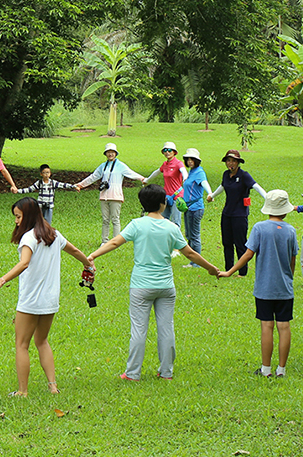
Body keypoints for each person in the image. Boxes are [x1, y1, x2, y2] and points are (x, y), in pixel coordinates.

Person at [88, 184, 220, 381]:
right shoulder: (171, 227)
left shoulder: (137, 224)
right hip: (166, 286)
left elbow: (115, 242)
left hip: (141, 286)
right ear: (162, 203)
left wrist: (92, 255)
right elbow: (189, 253)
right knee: (166, 328)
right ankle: (166, 372)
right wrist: (211, 268)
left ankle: (133, 373)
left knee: (139, 330)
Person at [0, 198, 92, 396]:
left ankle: (22, 391)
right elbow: (76, 251)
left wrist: (1, 281)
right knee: (42, 341)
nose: (16, 221)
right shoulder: (55, 235)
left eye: (18, 217)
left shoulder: (29, 238)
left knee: (21, 344)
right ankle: (53, 386)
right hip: (50, 300)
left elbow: (24, 263)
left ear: (28, 216)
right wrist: (88, 265)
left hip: (30, 301)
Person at [220, 190, 299, 377]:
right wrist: (289, 277)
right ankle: (282, 369)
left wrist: (230, 271)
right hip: (285, 288)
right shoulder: (290, 230)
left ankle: (266, 369)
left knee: (267, 326)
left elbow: (248, 254)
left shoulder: (259, 228)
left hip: (265, 288)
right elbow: (292, 259)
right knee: (284, 326)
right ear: (285, 210)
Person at [207, 150, 267, 277]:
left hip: (240, 215)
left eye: (233, 161)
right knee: (227, 242)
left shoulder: (244, 175)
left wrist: (268, 198)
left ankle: (242, 272)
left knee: (240, 243)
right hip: (227, 214)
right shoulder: (225, 174)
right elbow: (223, 187)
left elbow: (256, 186)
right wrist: (212, 196)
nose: (231, 163)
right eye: (228, 160)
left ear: (238, 162)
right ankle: (228, 269)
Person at [75, 142, 147, 244]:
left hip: (116, 196)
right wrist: (80, 185)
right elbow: (93, 177)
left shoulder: (120, 165)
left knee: (115, 219)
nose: (110, 154)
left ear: (116, 153)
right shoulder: (103, 166)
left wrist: (142, 178)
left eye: (112, 152)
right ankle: (105, 241)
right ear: (105, 154)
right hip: (104, 196)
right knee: (105, 220)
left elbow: (130, 173)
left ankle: (116, 241)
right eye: (108, 152)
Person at [179, 148, 213, 267]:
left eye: (192, 159)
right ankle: (193, 260)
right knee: (189, 234)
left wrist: (210, 193)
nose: (189, 161)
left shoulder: (199, 172)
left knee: (194, 236)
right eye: (187, 159)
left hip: (196, 208)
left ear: (197, 161)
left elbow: (204, 183)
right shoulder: (192, 172)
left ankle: (196, 263)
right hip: (188, 207)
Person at [145, 141, 188, 229]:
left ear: (174, 152)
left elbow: (183, 171)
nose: (167, 152)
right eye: (165, 150)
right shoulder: (165, 164)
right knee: (163, 220)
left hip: (177, 196)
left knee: (175, 222)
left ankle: (176, 241)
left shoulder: (178, 163)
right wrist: (147, 180)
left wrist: (185, 178)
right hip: (166, 196)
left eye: (169, 150)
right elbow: (157, 172)